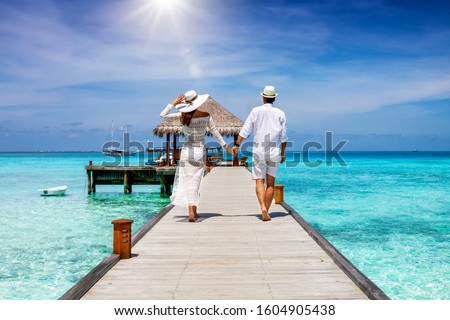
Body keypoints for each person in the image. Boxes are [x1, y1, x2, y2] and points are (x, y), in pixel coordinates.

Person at [160, 90, 232, 222]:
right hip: (199, 151)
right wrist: (226, 147)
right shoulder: (206, 115)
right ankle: (194, 211)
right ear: (197, 101)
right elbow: (215, 133)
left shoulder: (182, 115)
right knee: (196, 181)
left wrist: (174, 103)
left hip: (187, 151)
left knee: (188, 181)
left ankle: (191, 212)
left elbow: (162, 115)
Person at [232, 85, 287, 221]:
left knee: (259, 181)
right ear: (274, 98)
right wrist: (283, 153)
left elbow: (245, 130)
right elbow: (284, 137)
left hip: (258, 151)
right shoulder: (280, 113)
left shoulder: (255, 111)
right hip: (274, 151)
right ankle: (266, 211)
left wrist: (237, 145)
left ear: (263, 97)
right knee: (271, 184)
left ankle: (262, 206)